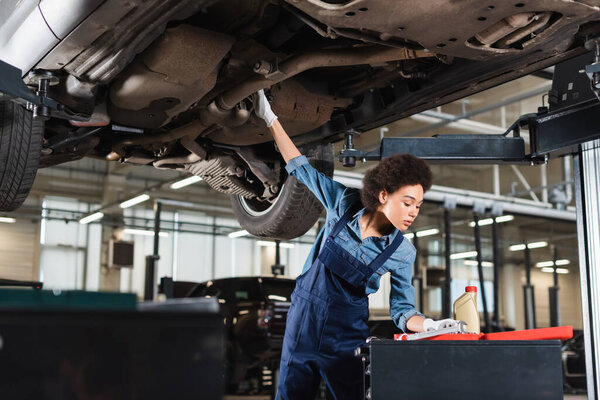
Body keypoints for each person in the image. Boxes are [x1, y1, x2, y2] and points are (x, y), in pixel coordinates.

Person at [253, 89, 457, 400]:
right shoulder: (343, 202)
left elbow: (402, 310)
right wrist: (270, 119)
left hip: (346, 340)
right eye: (408, 202)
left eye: (418, 205)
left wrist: (426, 324)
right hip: (302, 325)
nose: (413, 212)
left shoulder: (402, 252)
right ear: (384, 195)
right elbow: (300, 167)